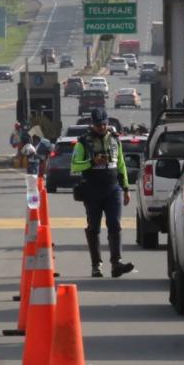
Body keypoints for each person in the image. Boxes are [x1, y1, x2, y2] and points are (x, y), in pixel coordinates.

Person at [71, 107, 134, 278]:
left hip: (113, 188)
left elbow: (121, 165)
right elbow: (75, 165)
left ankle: (116, 263)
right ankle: (96, 265)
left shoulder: (115, 140)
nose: (102, 127)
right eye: (98, 125)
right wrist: (92, 161)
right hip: (92, 189)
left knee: (115, 224)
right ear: (92, 124)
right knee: (94, 227)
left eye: (104, 124)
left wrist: (126, 188)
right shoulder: (83, 142)